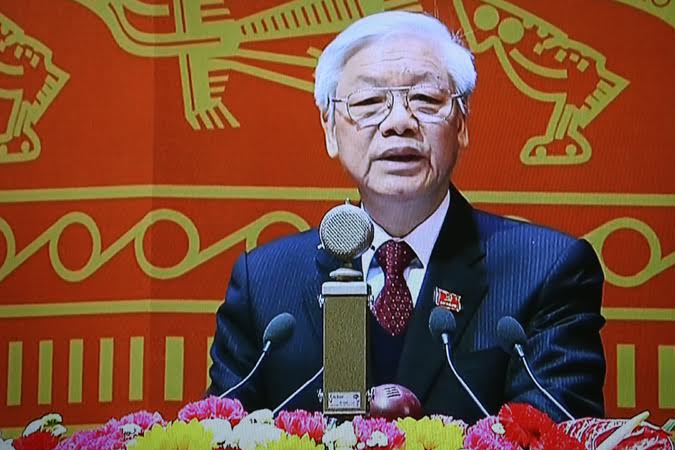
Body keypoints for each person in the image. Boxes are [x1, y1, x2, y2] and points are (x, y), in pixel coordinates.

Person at [208, 11, 605, 424]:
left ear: (462, 123)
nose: (399, 122)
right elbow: (220, 432)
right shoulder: (265, 283)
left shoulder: (544, 272)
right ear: (329, 128)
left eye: (426, 100)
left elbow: (553, 433)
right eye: (368, 102)